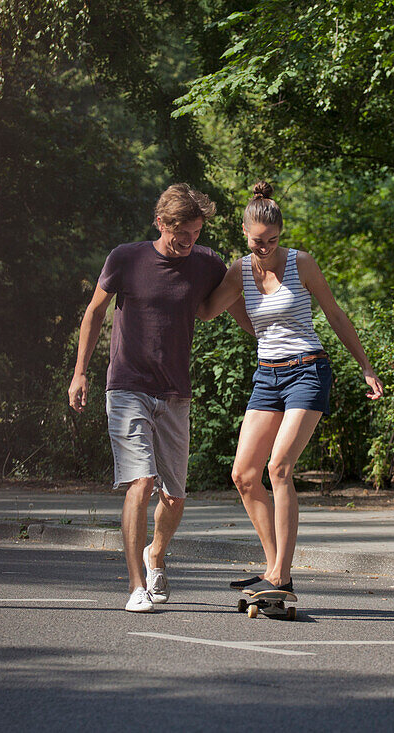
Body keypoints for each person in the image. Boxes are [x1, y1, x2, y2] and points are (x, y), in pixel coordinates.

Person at [68, 184, 251, 613]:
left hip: (174, 394)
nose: (188, 242)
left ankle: (156, 556)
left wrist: (270, 337)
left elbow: (222, 307)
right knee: (142, 481)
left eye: (195, 233)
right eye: (180, 233)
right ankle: (135, 586)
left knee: (174, 494)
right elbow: (94, 313)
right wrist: (79, 373)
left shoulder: (206, 263)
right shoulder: (126, 258)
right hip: (128, 386)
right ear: (160, 222)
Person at [202, 181, 383, 596]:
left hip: (307, 371)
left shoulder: (302, 263)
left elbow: (334, 314)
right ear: (244, 234)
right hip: (267, 375)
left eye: (273, 240)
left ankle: (281, 577)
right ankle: (273, 569)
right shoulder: (238, 271)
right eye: (257, 241)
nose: (265, 247)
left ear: (281, 235)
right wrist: (193, 270)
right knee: (244, 474)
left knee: (278, 467)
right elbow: (209, 309)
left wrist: (366, 366)